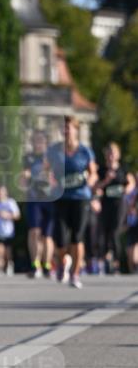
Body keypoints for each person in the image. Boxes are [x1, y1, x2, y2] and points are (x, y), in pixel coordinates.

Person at [48, 116, 97, 289]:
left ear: (76, 130)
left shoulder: (85, 151)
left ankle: (75, 274)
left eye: (69, 128)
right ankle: (62, 263)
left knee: (77, 237)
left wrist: (89, 182)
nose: (67, 131)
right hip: (60, 197)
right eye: (64, 128)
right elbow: (46, 170)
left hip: (80, 198)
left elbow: (93, 173)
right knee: (60, 239)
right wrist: (50, 180)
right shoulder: (54, 150)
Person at [21, 129, 55, 279]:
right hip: (34, 198)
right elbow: (24, 177)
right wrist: (24, 178)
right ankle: (35, 265)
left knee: (47, 235)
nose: (38, 144)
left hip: (50, 199)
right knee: (34, 231)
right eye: (36, 141)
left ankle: (47, 264)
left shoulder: (52, 157)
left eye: (41, 140)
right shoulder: (28, 158)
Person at [95, 142, 128, 275]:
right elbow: (96, 187)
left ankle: (116, 263)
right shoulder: (102, 170)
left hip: (119, 205)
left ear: (118, 155)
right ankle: (105, 259)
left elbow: (129, 183)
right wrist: (106, 181)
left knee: (114, 232)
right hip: (105, 205)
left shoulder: (122, 169)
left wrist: (127, 190)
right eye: (108, 153)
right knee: (104, 233)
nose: (111, 156)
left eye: (113, 153)